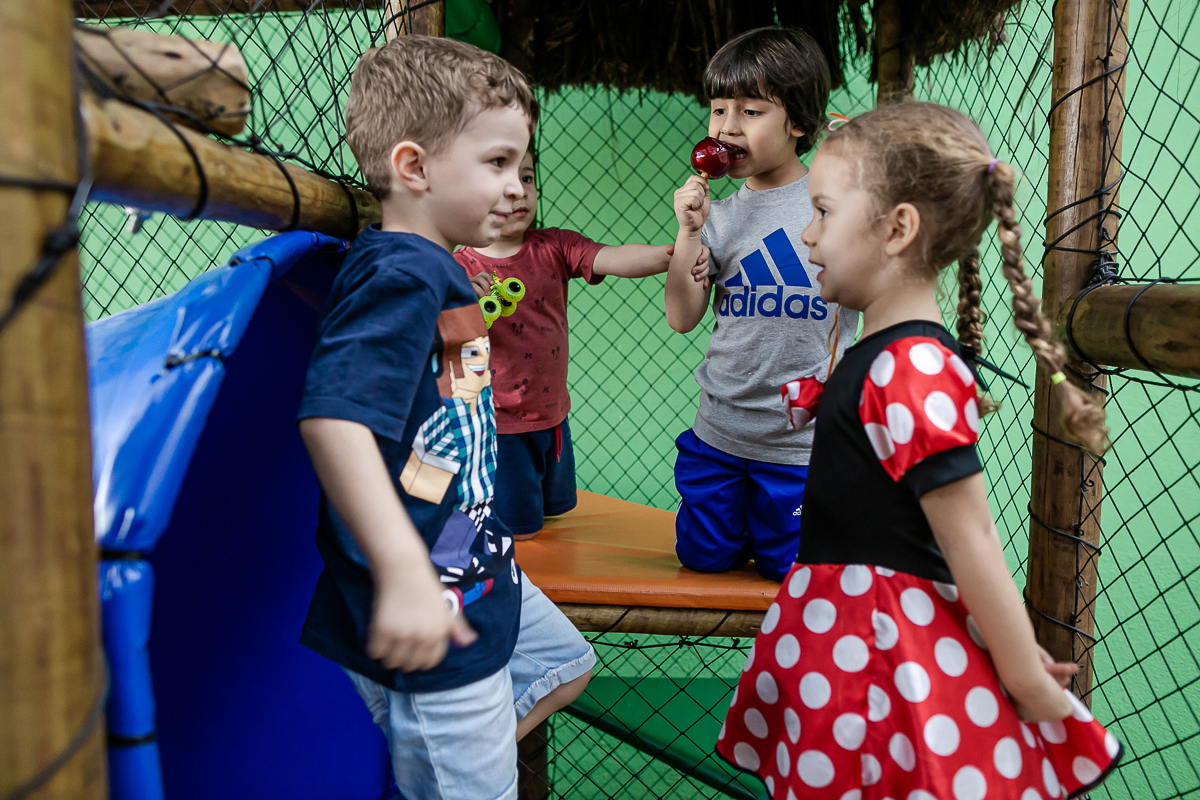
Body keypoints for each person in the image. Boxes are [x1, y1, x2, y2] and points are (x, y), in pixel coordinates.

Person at [716, 102, 1121, 799]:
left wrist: (1024, 675)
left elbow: (972, 537)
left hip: (871, 651)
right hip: (840, 638)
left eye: (823, 211)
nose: (807, 236)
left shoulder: (911, 367)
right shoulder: (881, 356)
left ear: (898, 228)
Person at [295, 36, 593, 800]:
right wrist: (402, 574)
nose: (515, 186)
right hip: (434, 604)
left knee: (568, 664)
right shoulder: (402, 272)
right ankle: (432, 761)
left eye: (519, 166)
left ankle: (428, 761)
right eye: (496, 164)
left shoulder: (437, 267)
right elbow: (334, 419)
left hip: (476, 560)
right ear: (414, 169)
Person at [665, 27, 858, 581]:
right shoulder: (717, 216)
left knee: (787, 573)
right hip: (719, 433)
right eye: (718, 109)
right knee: (702, 559)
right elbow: (681, 317)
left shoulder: (832, 206)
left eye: (749, 111)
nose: (726, 126)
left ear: (796, 122)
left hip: (801, 446)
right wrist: (688, 234)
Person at [455, 144, 705, 539]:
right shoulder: (458, 268)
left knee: (553, 515)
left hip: (553, 416)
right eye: (500, 180)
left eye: (527, 178)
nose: (518, 190)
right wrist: (458, 298)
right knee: (519, 532)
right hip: (500, 425)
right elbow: (432, 331)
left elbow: (616, 257)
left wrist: (676, 252)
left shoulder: (553, 246)